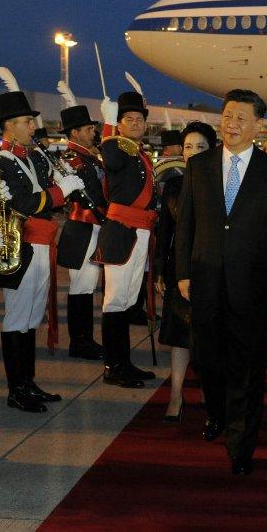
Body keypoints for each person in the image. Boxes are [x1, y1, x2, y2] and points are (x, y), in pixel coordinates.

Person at [175, 89, 267, 476]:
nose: (231, 124)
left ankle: (241, 444)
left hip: (253, 284)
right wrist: (181, 272)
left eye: (241, 118)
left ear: (257, 124)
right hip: (205, 280)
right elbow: (186, 226)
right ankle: (217, 411)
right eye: (227, 116)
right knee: (206, 359)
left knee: (247, 367)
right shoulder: (199, 167)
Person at [0, 87, 85, 413]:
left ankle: (27, 382)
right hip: (22, 246)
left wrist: (61, 181)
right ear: (9, 126)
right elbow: (24, 204)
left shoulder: (30, 157)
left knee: (31, 317)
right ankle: (16, 388)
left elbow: (43, 194)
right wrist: (61, 191)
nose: (34, 127)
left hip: (42, 243)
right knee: (17, 317)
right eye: (26, 122)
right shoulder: (1, 161)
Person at [93, 90, 158, 388]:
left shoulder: (140, 152)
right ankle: (113, 366)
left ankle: (124, 362)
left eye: (139, 119)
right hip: (121, 233)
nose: (135, 123)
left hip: (140, 232)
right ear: (119, 125)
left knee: (129, 301)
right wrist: (107, 125)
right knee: (115, 301)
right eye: (128, 119)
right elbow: (112, 162)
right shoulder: (117, 147)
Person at [156, 121, 216, 421]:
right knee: (179, 337)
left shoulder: (220, 185)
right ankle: (176, 395)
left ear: (212, 150)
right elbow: (164, 232)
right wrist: (157, 272)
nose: (193, 152)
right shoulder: (173, 185)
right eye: (188, 146)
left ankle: (208, 388)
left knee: (206, 336)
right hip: (178, 271)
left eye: (200, 147)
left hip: (209, 271)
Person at [55, 98, 107, 361]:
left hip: (93, 226)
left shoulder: (91, 157)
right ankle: (80, 342)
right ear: (74, 132)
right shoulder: (71, 158)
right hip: (83, 227)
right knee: (81, 286)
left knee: (88, 285)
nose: (93, 132)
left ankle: (86, 339)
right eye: (88, 129)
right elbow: (88, 192)